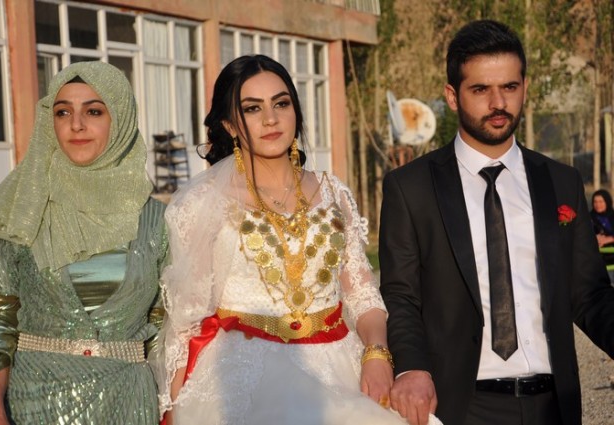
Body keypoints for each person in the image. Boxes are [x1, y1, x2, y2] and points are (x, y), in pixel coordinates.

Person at [149, 54, 441, 425]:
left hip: (340, 362)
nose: (270, 119)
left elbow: (363, 295)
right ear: (230, 125)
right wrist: (173, 407)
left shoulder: (333, 193)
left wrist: (377, 354)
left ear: (296, 113)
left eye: (281, 103)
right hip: (244, 371)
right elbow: (187, 321)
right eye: (252, 108)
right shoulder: (202, 202)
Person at [379, 20, 614, 425]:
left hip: (553, 404)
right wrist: (411, 367)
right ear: (452, 96)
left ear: (525, 86)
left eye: (509, 87)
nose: (498, 103)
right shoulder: (411, 187)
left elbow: (589, 294)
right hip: (463, 406)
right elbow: (400, 295)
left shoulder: (561, 181)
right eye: (480, 90)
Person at [0, 61, 167, 424]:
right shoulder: (21, 210)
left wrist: (171, 407)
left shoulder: (158, 221)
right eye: (63, 112)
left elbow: (162, 329)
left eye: (94, 111)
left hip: (131, 403)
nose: (76, 124)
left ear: (121, 120)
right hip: (35, 403)